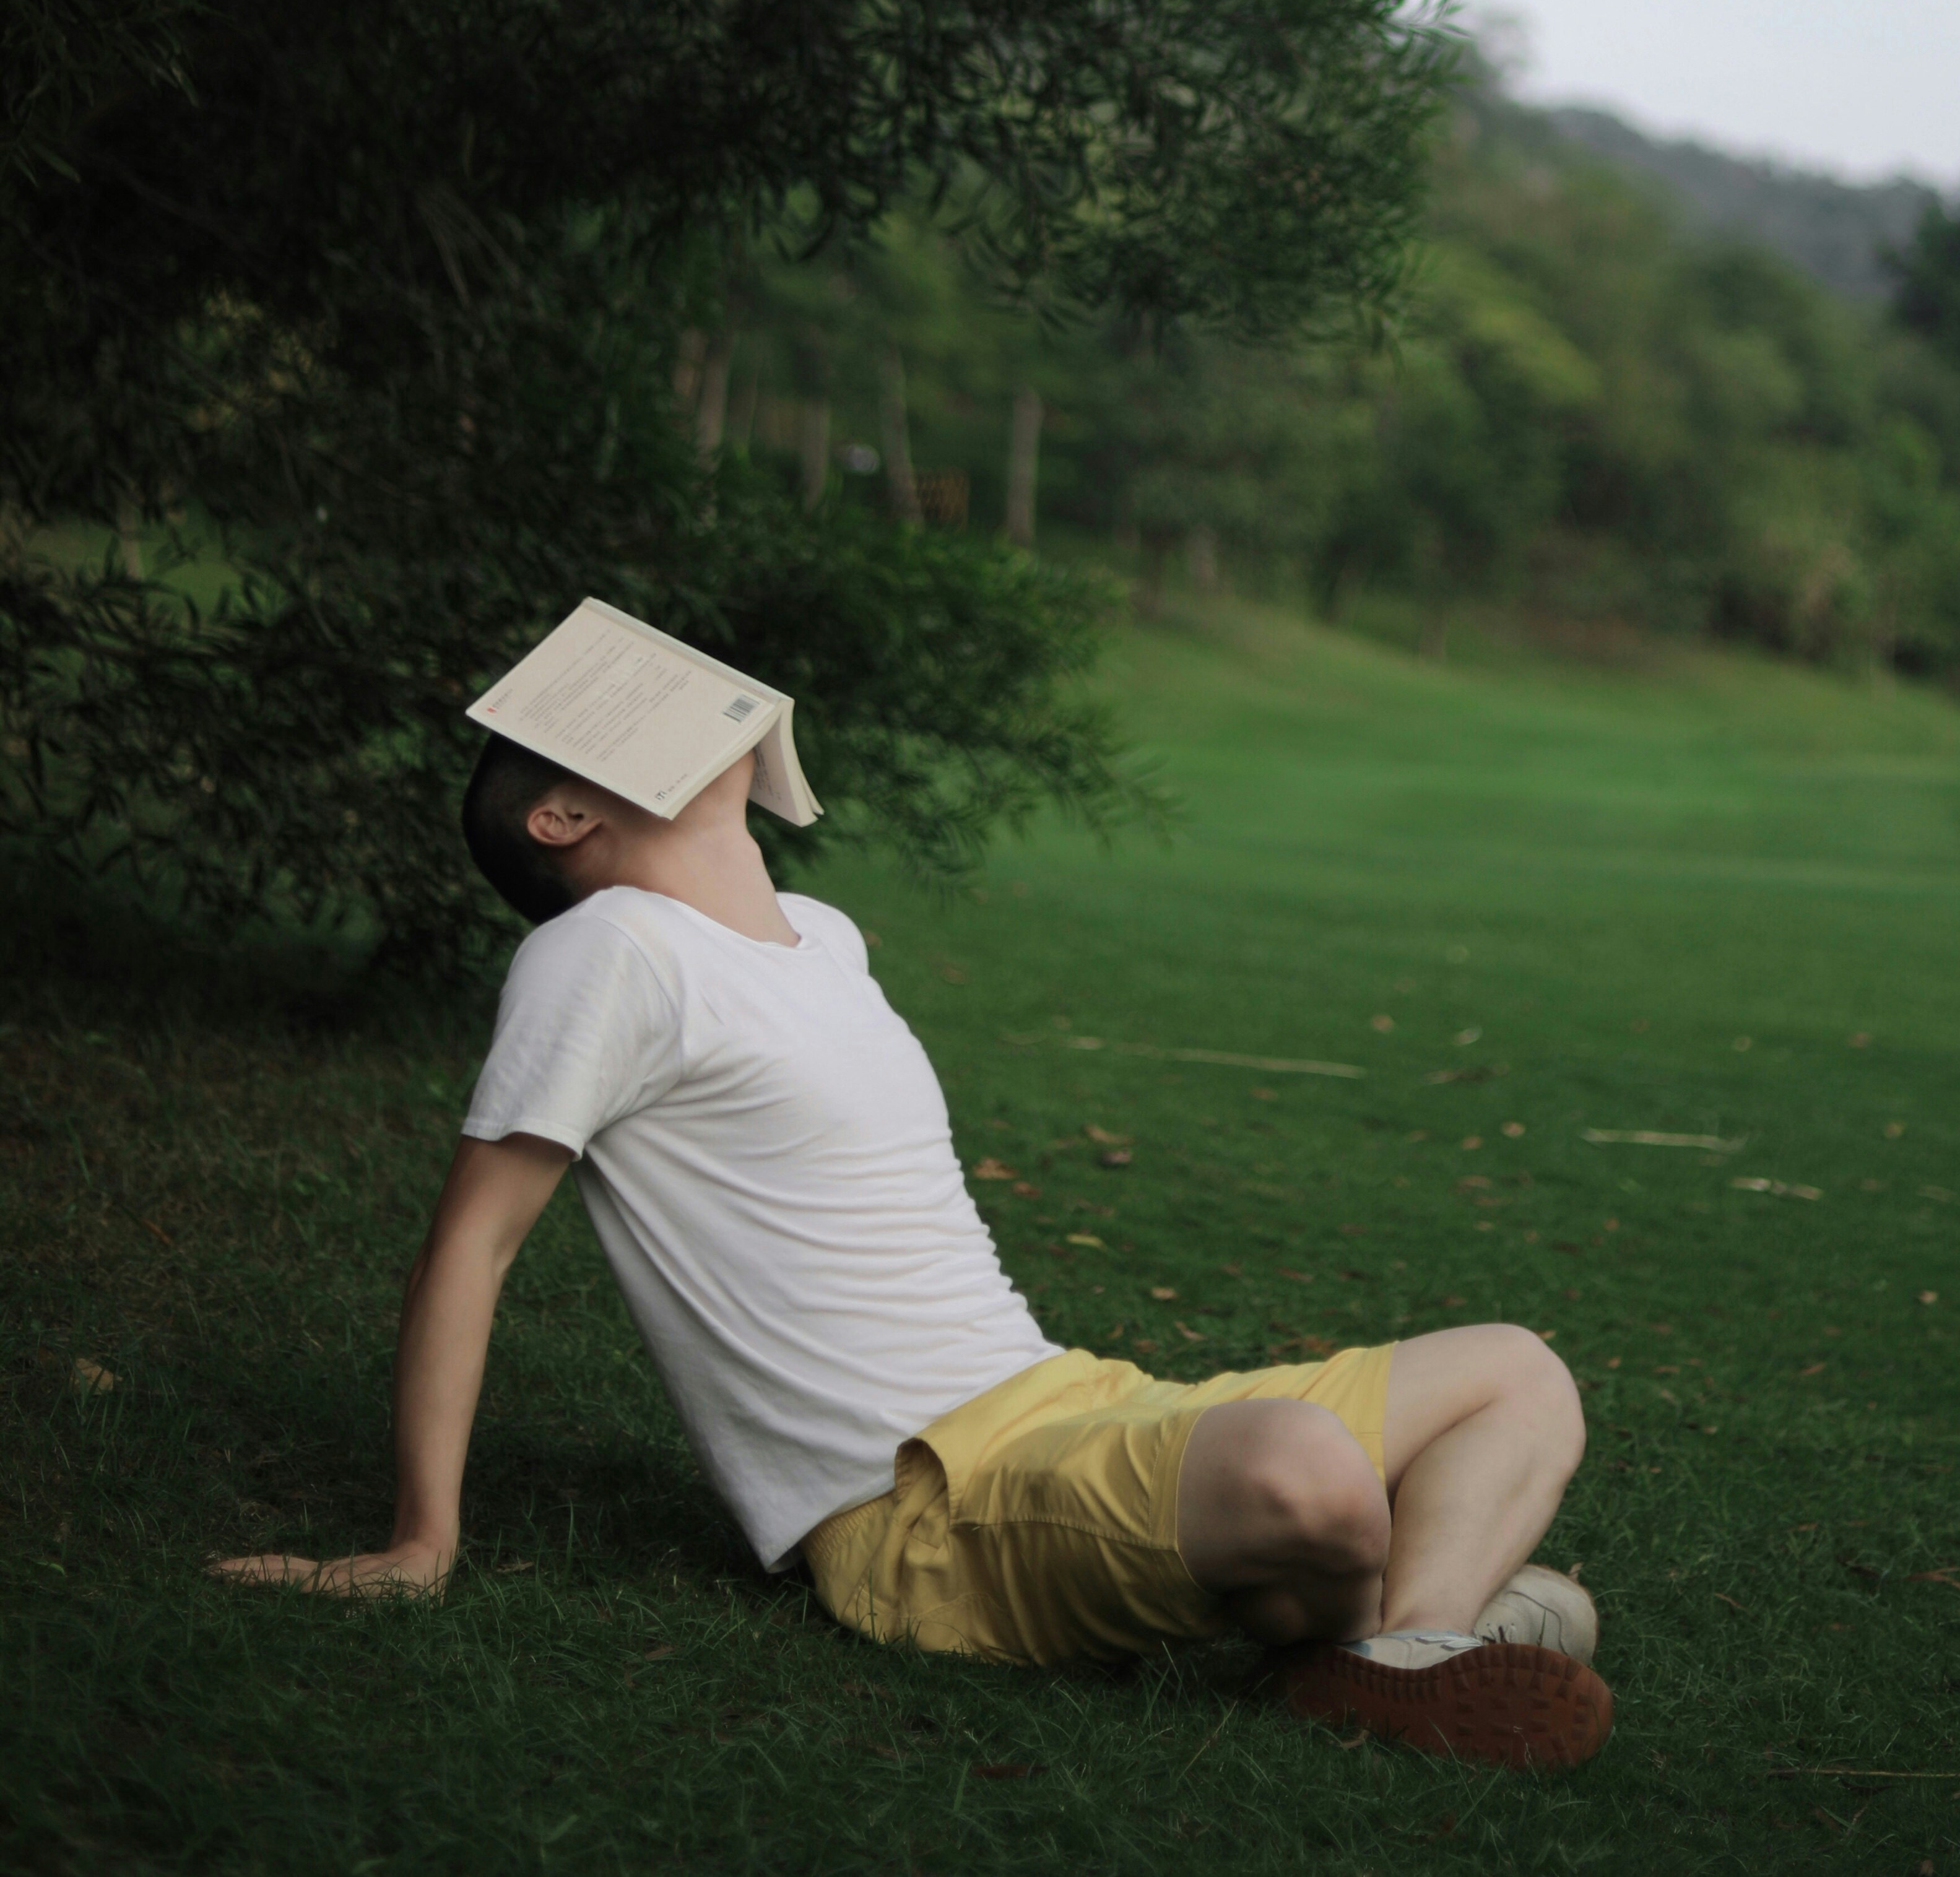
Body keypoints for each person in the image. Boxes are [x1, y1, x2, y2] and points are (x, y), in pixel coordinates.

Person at [218, 736, 1612, 1771]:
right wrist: (419, 1540)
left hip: (1069, 1397)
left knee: (1523, 1373)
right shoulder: (608, 947)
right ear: (564, 808)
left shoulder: (823, 937)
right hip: (922, 1502)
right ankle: (1425, 1616)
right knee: (1315, 1484)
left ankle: (1396, 1644)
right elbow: (470, 1242)